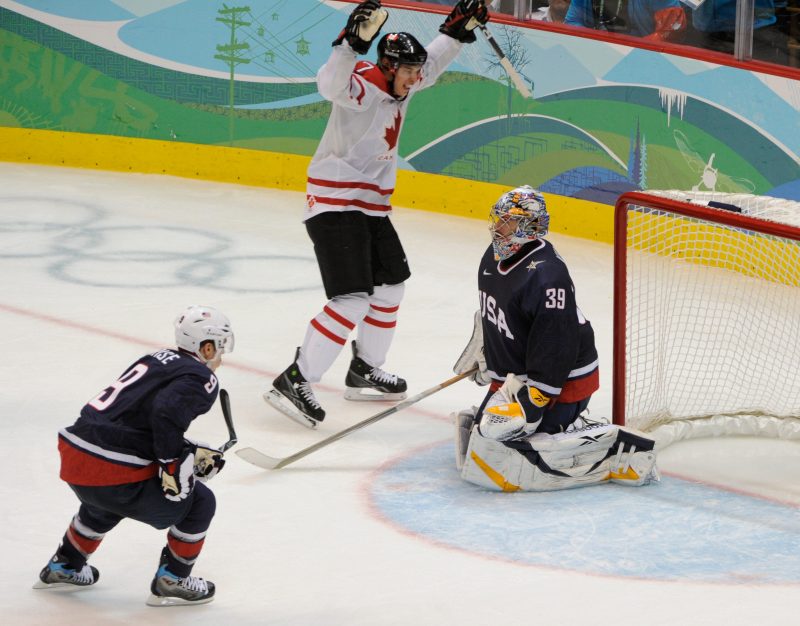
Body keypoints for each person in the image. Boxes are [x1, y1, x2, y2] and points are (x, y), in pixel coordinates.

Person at [267, 1, 490, 428]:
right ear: (387, 66)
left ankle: (364, 368)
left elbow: (432, 64)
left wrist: (455, 30)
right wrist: (349, 45)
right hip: (335, 204)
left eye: (415, 71)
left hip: (370, 208)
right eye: (408, 71)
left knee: (390, 288)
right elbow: (329, 84)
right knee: (351, 300)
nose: (415, 78)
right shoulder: (363, 84)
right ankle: (297, 378)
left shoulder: (402, 81)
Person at [452, 186, 658, 491]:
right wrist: (489, 355)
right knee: (480, 441)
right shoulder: (492, 257)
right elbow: (495, 311)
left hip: (563, 383)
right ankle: (551, 425)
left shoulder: (548, 277)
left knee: (504, 449)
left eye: (508, 221)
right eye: (498, 219)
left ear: (529, 227)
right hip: (516, 377)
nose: (498, 227)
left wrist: (536, 398)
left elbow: (556, 345)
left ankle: (598, 443)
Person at [34, 305, 234, 606]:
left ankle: (65, 565)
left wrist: (188, 450)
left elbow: (135, 421)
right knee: (200, 502)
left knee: (106, 500)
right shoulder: (201, 377)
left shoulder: (157, 358)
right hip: (113, 465)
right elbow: (165, 414)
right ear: (206, 347)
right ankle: (173, 579)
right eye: (219, 347)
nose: (221, 356)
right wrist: (173, 465)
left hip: (78, 454)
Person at [565, 0, 687, 41]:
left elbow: (672, 29)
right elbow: (572, 22)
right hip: (599, 52)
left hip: (646, 57)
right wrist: (595, 43)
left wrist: (634, 50)